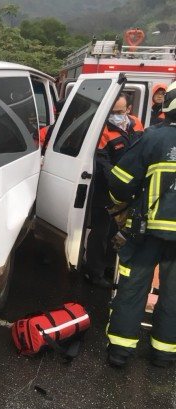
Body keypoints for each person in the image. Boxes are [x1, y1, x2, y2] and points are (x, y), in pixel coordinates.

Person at [105, 81, 176, 368]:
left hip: (146, 232)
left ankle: (120, 353)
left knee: (133, 289)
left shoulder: (152, 138)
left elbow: (121, 182)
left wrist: (119, 206)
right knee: (173, 296)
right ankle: (163, 354)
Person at [84, 93, 144, 288]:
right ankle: (94, 273)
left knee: (115, 230)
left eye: (120, 112)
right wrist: (118, 181)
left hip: (128, 189)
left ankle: (109, 265)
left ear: (128, 110)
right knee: (100, 231)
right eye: (112, 112)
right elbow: (102, 161)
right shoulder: (103, 130)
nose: (116, 116)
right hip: (105, 188)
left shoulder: (136, 123)